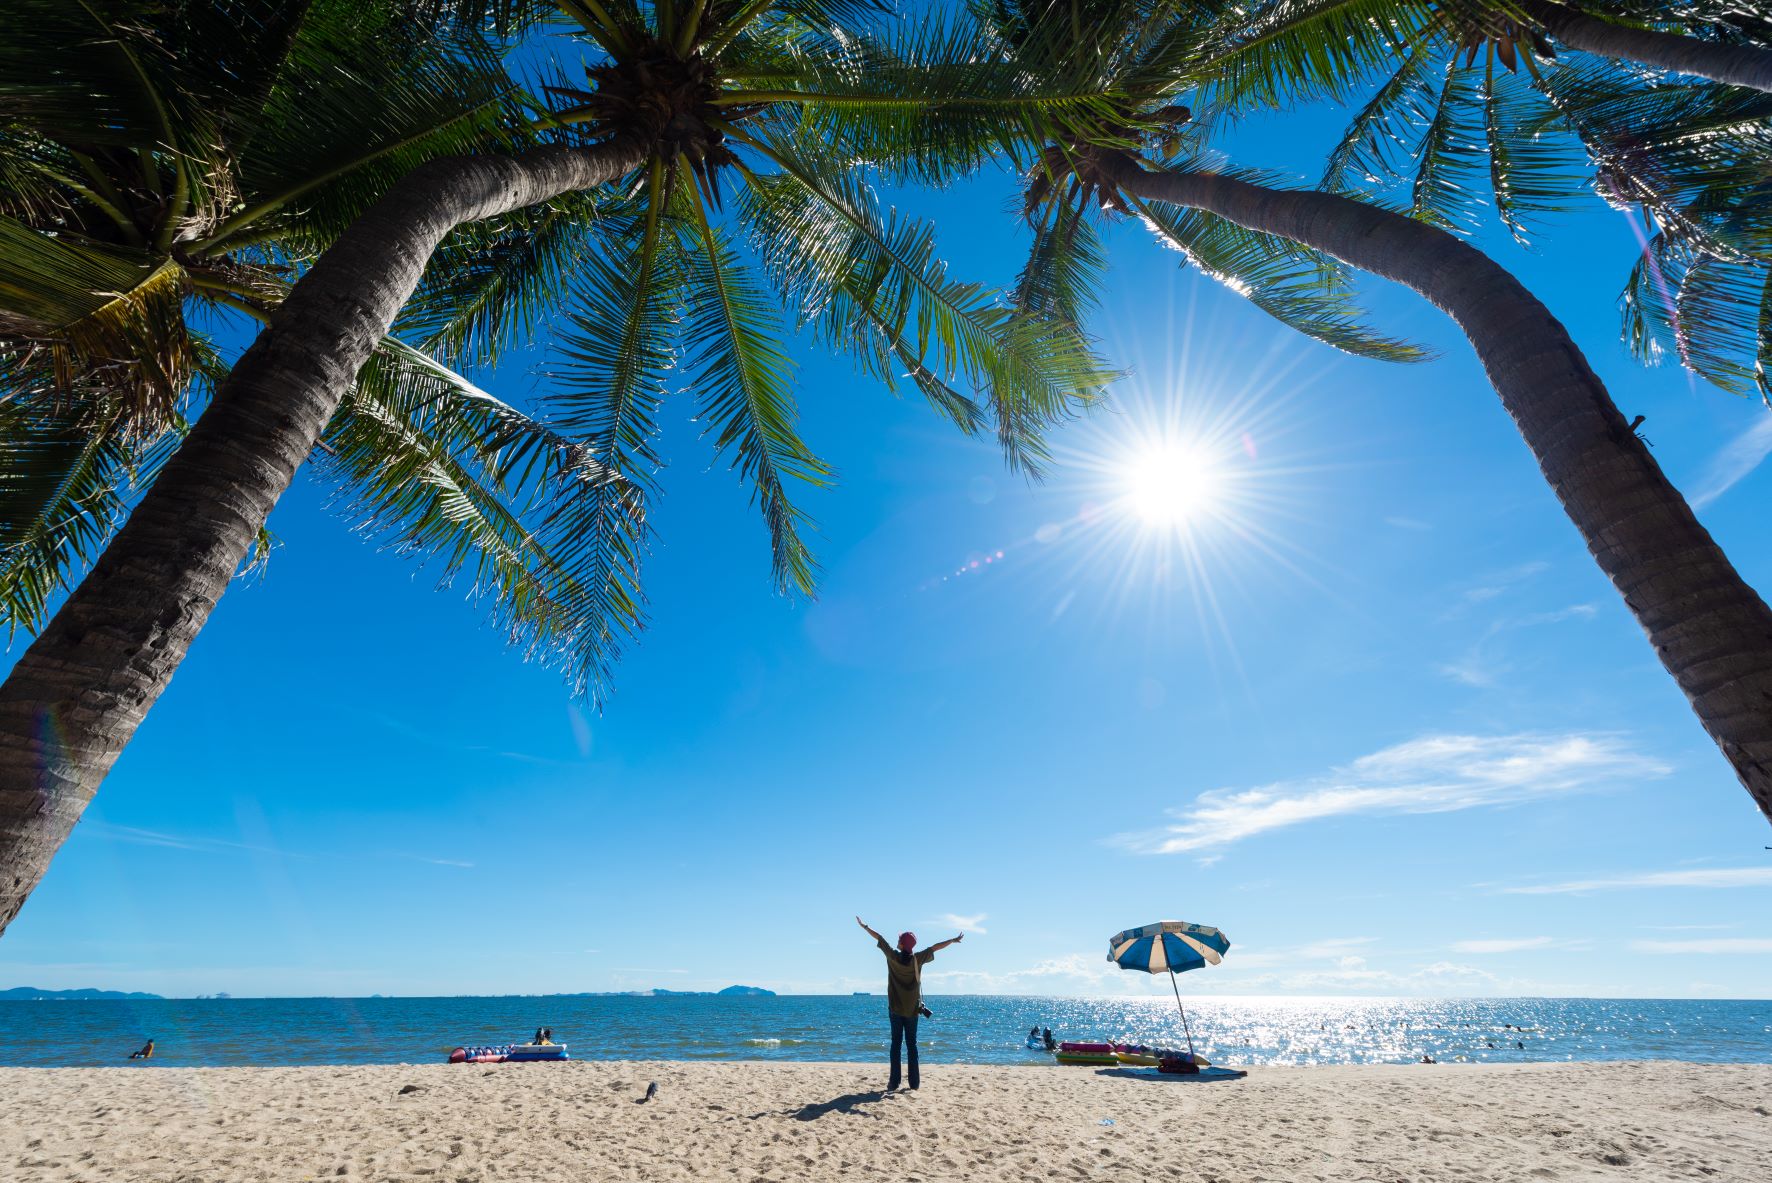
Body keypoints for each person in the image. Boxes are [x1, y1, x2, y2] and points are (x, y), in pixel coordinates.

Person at [856, 916, 963, 1092]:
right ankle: (914, 1084)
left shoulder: (892, 956)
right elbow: (935, 947)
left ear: (902, 944)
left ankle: (894, 1082)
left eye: (899, 939)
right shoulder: (918, 959)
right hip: (912, 1011)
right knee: (912, 1046)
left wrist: (864, 926)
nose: (897, 940)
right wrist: (952, 940)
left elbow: (879, 937)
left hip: (896, 1010)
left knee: (895, 1045)